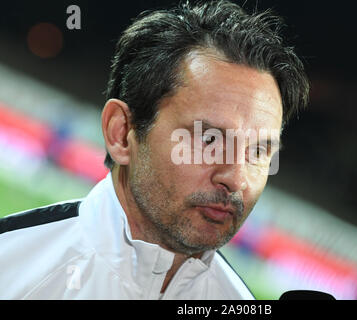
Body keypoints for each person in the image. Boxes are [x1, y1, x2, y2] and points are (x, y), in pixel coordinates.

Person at [0, 0, 309, 299]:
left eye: (258, 152)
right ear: (121, 133)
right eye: (210, 140)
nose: (237, 179)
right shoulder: (10, 265)